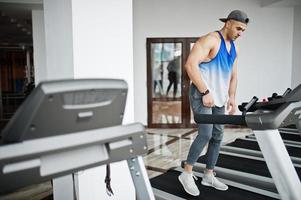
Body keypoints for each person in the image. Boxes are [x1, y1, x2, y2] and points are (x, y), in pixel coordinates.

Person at [178, 10, 249, 196]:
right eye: (238, 28)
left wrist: (232, 97)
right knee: (206, 134)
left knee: (218, 136)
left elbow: (233, 75)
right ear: (228, 23)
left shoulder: (235, 47)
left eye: (243, 30)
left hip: (219, 97)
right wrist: (205, 91)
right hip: (203, 94)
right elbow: (190, 65)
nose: (240, 33)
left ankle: (208, 175)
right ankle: (186, 173)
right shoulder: (210, 40)